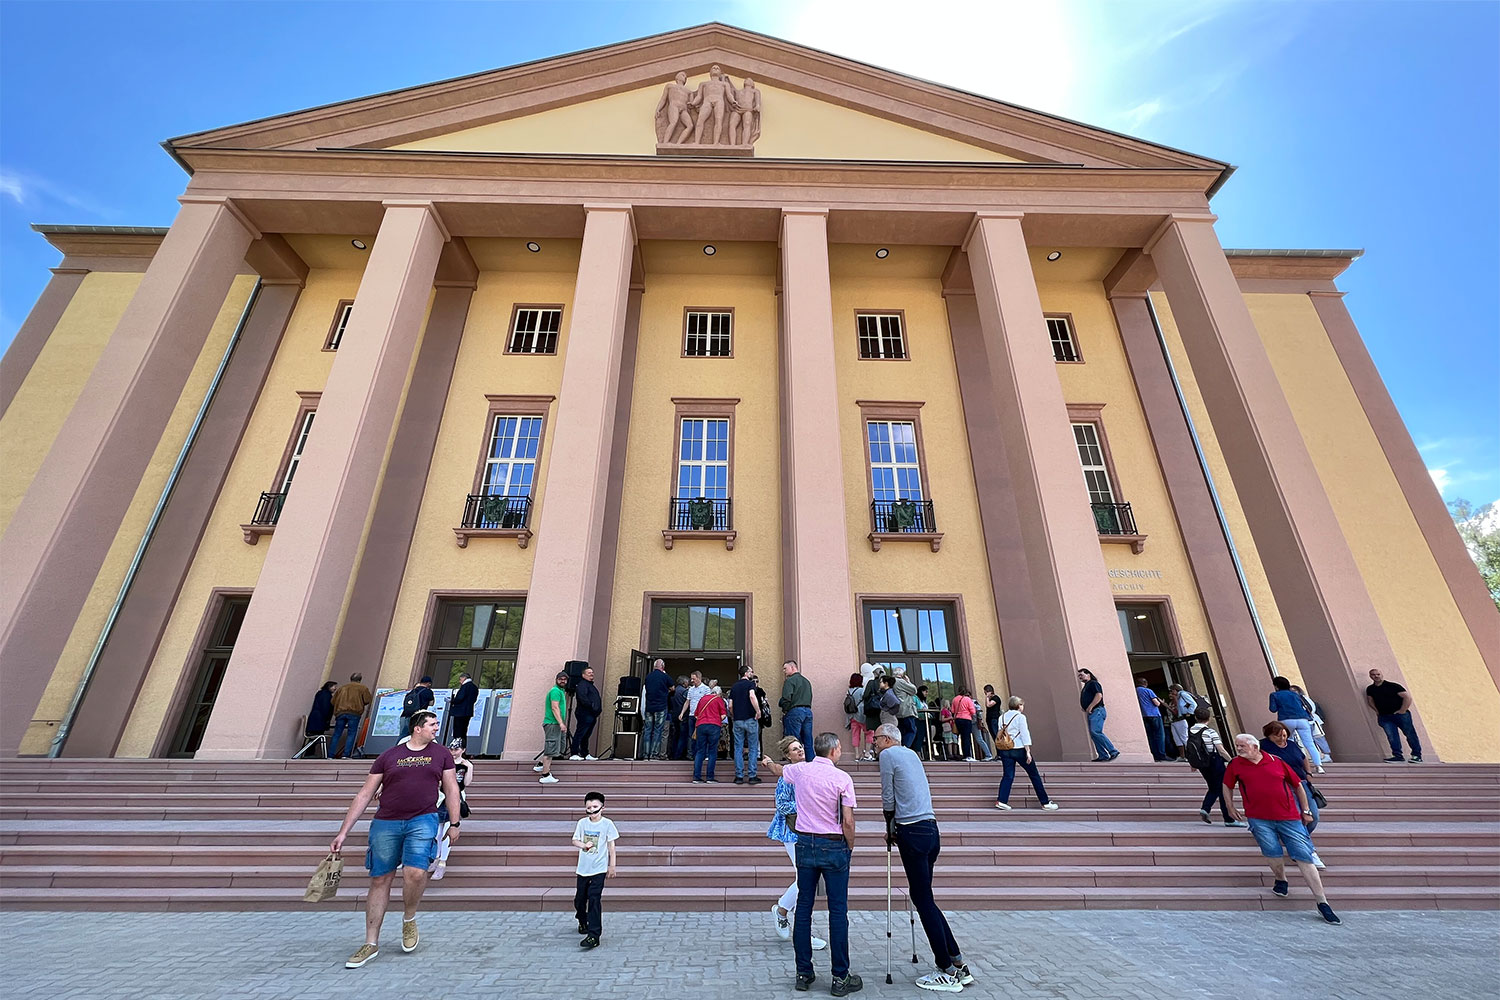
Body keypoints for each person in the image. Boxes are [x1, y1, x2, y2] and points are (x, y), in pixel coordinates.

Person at [331, 709, 461, 968]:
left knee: (415, 872)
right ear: (417, 728)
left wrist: (455, 822)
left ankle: (409, 918)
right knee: (380, 879)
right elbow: (365, 794)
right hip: (386, 822)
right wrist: (343, 832)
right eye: (432, 724)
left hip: (423, 819)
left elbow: (451, 787)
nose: (437, 728)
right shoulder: (389, 756)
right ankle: (370, 942)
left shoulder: (441, 754)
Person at [873, 723, 974, 993]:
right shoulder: (912, 753)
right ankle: (955, 958)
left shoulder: (887, 755)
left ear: (886, 739)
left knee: (922, 898)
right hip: (931, 828)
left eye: (876, 740)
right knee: (924, 897)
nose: (874, 745)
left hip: (912, 830)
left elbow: (887, 795)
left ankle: (946, 967)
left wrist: (889, 826)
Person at [760, 733, 861, 997]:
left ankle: (803, 972)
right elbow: (848, 821)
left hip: (805, 843)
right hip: (833, 843)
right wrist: (850, 846)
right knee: (838, 910)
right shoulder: (842, 778)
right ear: (836, 750)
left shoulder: (800, 771)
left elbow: (779, 770)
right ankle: (840, 976)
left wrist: (769, 763)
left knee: (804, 907)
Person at [1222, 734, 1341, 924]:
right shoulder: (1236, 765)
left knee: (1304, 856)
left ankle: (1322, 902)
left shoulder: (1275, 761)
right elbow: (1227, 785)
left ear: (1254, 746)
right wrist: (1229, 807)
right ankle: (1281, 879)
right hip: (1259, 818)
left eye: (1242, 745)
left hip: (1289, 817)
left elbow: (1298, 785)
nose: (1238, 749)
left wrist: (1306, 810)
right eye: (1237, 746)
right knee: (1272, 852)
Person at [765, 735, 827, 952]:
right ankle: (792, 921)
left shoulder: (809, 770)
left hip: (809, 830)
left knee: (806, 879)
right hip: (792, 832)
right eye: (794, 749)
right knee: (805, 879)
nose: (800, 751)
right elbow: (782, 804)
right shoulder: (787, 777)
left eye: (800, 747)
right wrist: (806, 804)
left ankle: (783, 911)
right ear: (787, 755)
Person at [1260, 722, 1325, 869]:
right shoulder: (1262, 746)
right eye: (1278, 736)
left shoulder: (1291, 745)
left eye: (1284, 735)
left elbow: (1302, 758)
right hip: (1281, 785)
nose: (1282, 739)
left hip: (1301, 783)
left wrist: (1308, 773)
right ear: (1269, 735)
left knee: (1312, 815)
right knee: (1297, 816)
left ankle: (1293, 840)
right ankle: (1309, 851)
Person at [571, 790, 618, 950]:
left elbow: (611, 847)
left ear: (602, 807)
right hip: (583, 868)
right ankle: (582, 920)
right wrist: (583, 845)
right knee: (579, 900)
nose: (592, 810)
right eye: (589, 807)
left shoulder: (607, 824)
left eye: (595, 806)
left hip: (599, 868)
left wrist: (612, 865)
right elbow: (574, 840)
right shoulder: (582, 823)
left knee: (594, 899)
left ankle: (594, 935)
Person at [992, 697, 1058, 811]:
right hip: (1019, 748)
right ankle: (1045, 802)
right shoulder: (1020, 717)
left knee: (1008, 775)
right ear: (1018, 705)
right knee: (1034, 775)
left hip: (1005, 749)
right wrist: (1028, 751)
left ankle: (1002, 800)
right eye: (1021, 705)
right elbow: (1024, 734)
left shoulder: (1001, 717)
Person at [1184, 705, 1244, 828]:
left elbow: (1190, 749)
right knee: (1223, 788)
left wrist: (1193, 763)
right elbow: (1221, 750)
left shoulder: (1190, 731)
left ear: (1195, 717)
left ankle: (1206, 808)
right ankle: (1228, 819)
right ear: (1209, 718)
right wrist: (1232, 761)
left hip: (1202, 764)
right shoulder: (1210, 731)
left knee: (1213, 787)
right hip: (1214, 761)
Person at [430, 739, 474, 880]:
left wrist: (470, 767)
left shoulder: (465, 765)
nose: (453, 752)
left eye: (456, 749)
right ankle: (436, 858)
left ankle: (442, 862)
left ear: (463, 750)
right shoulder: (445, 763)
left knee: (448, 830)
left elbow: (466, 783)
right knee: (437, 831)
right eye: (451, 749)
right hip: (441, 797)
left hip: (456, 798)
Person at [1366, 668, 1422, 763]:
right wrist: (1377, 711)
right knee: (1392, 736)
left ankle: (1417, 755)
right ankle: (1397, 756)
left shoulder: (1393, 686)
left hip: (1401, 715)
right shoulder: (1370, 689)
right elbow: (1370, 700)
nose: (1376, 676)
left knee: (1410, 734)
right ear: (1370, 676)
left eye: (1378, 674)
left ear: (1381, 674)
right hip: (1385, 717)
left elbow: (1407, 697)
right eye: (1373, 675)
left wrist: (1402, 710)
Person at [1269, 676, 1324, 772]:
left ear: (1276, 686)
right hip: (1302, 719)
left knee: (1288, 742)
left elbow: (1272, 709)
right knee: (1309, 743)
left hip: (1286, 719)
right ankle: (1319, 766)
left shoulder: (1275, 695)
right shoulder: (1295, 695)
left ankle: (1293, 765)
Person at [730, 664, 763, 785]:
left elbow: (730, 705)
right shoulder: (751, 684)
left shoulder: (734, 686)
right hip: (750, 718)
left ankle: (739, 776)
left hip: (738, 720)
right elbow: (752, 696)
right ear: (746, 673)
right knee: (753, 747)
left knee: (738, 748)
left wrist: (734, 715)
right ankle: (752, 775)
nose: (752, 673)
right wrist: (758, 711)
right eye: (750, 671)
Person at [1078, 668, 1120, 762]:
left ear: (1088, 674)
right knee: (1094, 734)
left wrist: (1090, 707)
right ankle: (1102, 755)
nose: (1080, 677)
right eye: (1079, 676)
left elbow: (1099, 695)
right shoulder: (1087, 686)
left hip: (1097, 710)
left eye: (1081, 674)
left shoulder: (1093, 683)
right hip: (1093, 712)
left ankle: (1112, 751)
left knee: (1096, 731)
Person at [534, 671, 567, 784]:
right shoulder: (555, 691)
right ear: (556, 679)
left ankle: (540, 765)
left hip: (555, 724)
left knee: (553, 747)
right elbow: (554, 707)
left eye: (564, 679)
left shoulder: (560, 691)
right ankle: (545, 774)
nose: (562, 681)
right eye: (560, 679)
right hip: (553, 723)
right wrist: (561, 723)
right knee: (550, 749)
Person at [330, 672, 373, 759]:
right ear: (360, 680)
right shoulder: (363, 688)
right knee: (351, 734)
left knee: (337, 734)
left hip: (340, 712)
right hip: (354, 713)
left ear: (351, 678)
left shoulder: (342, 688)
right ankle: (346, 755)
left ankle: (330, 755)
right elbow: (367, 700)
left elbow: (333, 701)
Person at [779, 659, 815, 759]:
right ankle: (810, 764)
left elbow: (786, 698)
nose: (784, 671)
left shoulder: (790, 681)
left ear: (792, 667)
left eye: (785, 668)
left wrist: (785, 709)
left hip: (795, 711)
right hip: (808, 711)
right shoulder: (806, 681)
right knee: (808, 741)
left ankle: (796, 765)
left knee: (793, 741)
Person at [692, 684, 728, 783]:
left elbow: (696, 715)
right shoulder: (718, 700)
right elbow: (723, 715)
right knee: (712, 751)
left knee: (700, 751)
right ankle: (710, 777)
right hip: (714, 726)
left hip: (701, 726)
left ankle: (696, 777)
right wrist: (717, 719)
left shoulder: (702, 699)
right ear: (719, 693)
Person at [1293, 684, 1333, 763]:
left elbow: (1310, 708)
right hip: (1305, 721)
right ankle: (1317, 756)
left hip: (1311, 721)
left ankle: (1326, 755)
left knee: (1318, 738)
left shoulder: (1303, 699)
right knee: (1309, 740)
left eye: (1294, 690)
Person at [643, 659, 674, 760]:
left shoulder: (648, 677)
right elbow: (673, 688)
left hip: (649, 707)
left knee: (647, 730)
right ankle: (653, 754)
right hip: (660, 707)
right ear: (663, 667)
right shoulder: (665, 676)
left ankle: (645, 754)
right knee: (658, 730)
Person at [570, 666, 603, 760]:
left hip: (592, 714)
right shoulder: (582, 685)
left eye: (592, 672)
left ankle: (585, 753)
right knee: (580, 733)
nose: (591, 674)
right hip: (585, 713)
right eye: (589, 673)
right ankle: (574, 753)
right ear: (583, 675)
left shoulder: (590, 685)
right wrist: (592, 706)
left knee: (586, 735)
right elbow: (583, 698)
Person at [678, 670, 710, 760]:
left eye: (694, 679)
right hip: (692, 715)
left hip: (702, 716)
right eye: (691, 679)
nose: (692, 681)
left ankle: (704, 754)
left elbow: (708, 703)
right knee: (691, 735)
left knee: (702, 735)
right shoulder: (691, 689)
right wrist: (682, 713)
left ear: (699, 678)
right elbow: (687, 701)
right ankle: (692, 754)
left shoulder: (706, 689)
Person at [1135, 677, 1168, 762]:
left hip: (1144, 715)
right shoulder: (1148, 691)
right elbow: (1156, 703)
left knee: (1150, 736)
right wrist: (1161, 702)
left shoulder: (1135, 691)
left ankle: (1154, 754)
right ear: (1145, 683)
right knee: (1159, 735)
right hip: (1154, 715)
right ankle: (1161, 755)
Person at [448, 671, 478, 750]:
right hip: (468, 711)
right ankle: (463, 748)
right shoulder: (474, 687)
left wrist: (452, 701)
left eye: (460, 679)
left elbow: (460, 698)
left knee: (458, 731)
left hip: (460, 711)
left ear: (464, 678)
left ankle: (456, 748)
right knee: (464, 731)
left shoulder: (465, 686)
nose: (460, 681)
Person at [845, 671, 871, 762]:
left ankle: (856, 754)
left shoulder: (849, 691)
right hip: (862, 714)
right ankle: (867, 753)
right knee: (869, 732)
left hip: (852, 715)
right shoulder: (862, 690)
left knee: (855, 734)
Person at [1166, 684, 1197, 759]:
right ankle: (1183, 756)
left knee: (1184, 737)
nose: (1172, 693)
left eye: (1172, 690)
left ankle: (1193, 756)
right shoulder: (1180, 696)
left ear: (1176, 690)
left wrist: (1188, 712)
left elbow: (1193, 704)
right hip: (1180, 718)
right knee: (1178, 738)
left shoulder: (1183, 694)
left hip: (1184, 718)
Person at [892, 666, 919, 748]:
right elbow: (914, 690)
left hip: (897, 711)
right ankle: (905, 747)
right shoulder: (900, 681)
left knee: (901, 731)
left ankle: (901, 747)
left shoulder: (892, 682)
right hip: (906, 710)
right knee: (911, 730)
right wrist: (908, 681)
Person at [305, 681, 337, 751]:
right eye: (334, 686)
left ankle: (308, 752)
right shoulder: (327, 695)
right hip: (320, 720)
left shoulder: (320, 693)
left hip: (315, 719)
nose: (335, 688)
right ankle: (310, 753)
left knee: (313, 738)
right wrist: (327, 719)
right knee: (316, 737)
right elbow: (326, 707)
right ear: (329, 686)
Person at [861, 666, 885, 759]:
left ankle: (873, 752)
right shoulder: (883, 684)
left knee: (872, 733)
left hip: (871, 711)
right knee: (881, 733)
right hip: (880, 710)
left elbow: (865, 695)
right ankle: (880, 753)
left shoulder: (871, 683)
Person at [950, 687, 978, 761]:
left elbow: (952, 710)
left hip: (958, 719)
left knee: (961, 737)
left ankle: (963, 755)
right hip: (966, 719)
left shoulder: (955, 699)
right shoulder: (967, 699)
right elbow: (973, 711)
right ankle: (967, 755)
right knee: (966, 738)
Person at [669, 674, 690, 760]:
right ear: (684, 682)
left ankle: (673, 753)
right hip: (683, 716)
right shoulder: (684, 691)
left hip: (674, 715)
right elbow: (688, 702)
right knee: (683, 736)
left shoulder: (673, 691)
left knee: (675, 735)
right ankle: (679, 754)